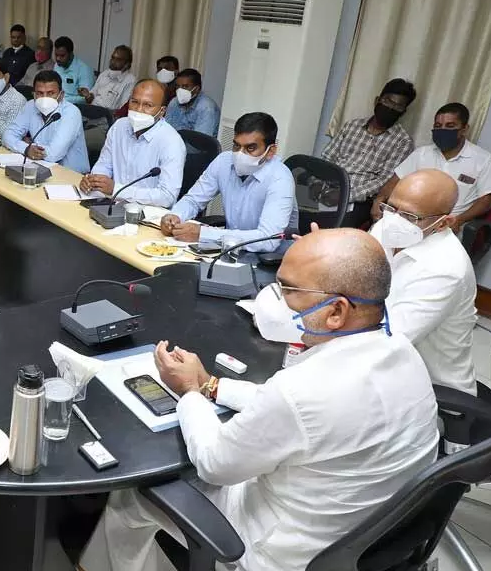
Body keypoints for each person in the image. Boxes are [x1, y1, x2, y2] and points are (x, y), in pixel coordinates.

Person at [81, 227, 439, 571]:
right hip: (358, 535)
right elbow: (293, 413)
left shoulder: (302, 391)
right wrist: (212, 385)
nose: (273, 299)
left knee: (130, 500)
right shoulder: (404, 353)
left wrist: (189, 392)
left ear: (336, 312)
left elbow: (214, 463)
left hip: (275, 552)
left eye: (288, 290)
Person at [370, 169, 478, 396]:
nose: (394, 220)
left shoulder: (447, 269)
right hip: (384, 370)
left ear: (443, 223)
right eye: (391, 208)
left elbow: (389, 341)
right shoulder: (386, 228)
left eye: (410, 216)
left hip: (428, 389)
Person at [160, 112, 298, 252]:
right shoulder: (223, 161)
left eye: (250, 148)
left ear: (271, 151)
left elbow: (268, 240)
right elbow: (193, 200)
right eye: (237, 146)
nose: (240, 154)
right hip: (228, 249)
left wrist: (204, 234)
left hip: (269, 259)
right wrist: (175, 216)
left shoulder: (280, 179)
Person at [382, 102, 491, 230]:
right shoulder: (422, 154)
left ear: (465, 129)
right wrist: (380, 199)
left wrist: (459, 220)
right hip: (410, 219)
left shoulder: (484, 160)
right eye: (438, 126)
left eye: (450, 126)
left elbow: (487, 201)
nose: (443, 130)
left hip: (448, 225)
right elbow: (395, 181)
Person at [320, 78, 416, 228]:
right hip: (328, 187)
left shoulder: (402, 141)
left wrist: (345, 195)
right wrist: (318, 183)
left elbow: (384, 181)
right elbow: (327, 158)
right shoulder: (352, 126)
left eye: (398, 106)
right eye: (388, 102)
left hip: (359, 200)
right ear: (377, 100)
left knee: (334, 233)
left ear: (403, 112)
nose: (391, 108)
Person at [79, 80, 185, 207]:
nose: (139, 110)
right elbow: (104, 164)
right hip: (112, 205)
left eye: (148, 105)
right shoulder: (119, 126)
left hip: (147, 214)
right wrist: (94, 181)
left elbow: (167, 197)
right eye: (134, 102)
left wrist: (116, 190)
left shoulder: (171, 142)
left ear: (162, 111)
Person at [2, 69, 90, 173]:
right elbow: (7, 135)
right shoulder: (31, 106)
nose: (45, 98)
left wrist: (30, 145)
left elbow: (54, 154)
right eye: (40, 93)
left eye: (50, 93)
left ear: (61, 95)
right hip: (39, 167)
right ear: (34, 95)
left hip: (70, 174)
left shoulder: (71, 113)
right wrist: (26, 149)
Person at [163, 68, 220, 137]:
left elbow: (200, 140)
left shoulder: (206, 107)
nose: (180, 90)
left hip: (197, 146)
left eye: (185, 86)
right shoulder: (174, 102)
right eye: (178, 86)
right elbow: (166, 129)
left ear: (196, 89)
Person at [80, 45, 136, 111]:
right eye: (113, 57)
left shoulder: (130, 81)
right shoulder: (104, 74)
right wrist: (87, 95)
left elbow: (122, 110)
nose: (113, 61)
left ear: (127, 64)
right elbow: (90, 99)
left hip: (107, 116)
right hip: (91, 111)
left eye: (118, 59)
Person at [53, 36, 94, 105]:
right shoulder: (57, 65)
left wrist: (62, 100)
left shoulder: (84, 70)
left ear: (71, 54)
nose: (58, 59)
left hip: (75, 107)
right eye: (56, 55)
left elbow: (86, 98)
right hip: (56, 103)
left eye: (62, 56)